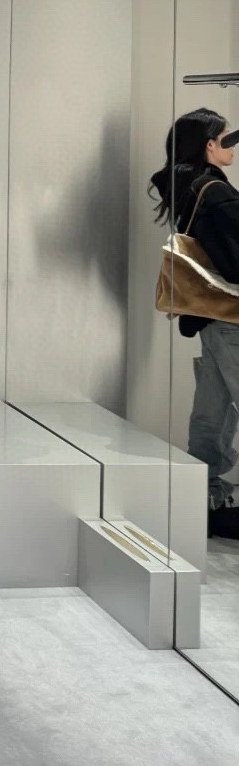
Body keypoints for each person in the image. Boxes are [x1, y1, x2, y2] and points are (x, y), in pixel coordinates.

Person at [150, 107, 239, 539]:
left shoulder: (191, 188)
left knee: (212, 412)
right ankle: (208, 500)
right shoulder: (216, 192)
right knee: (213, 411)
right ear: (209, 145)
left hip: (213, 318)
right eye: (227, 139)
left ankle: (206, 503)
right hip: (232, 319)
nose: (233, 148)